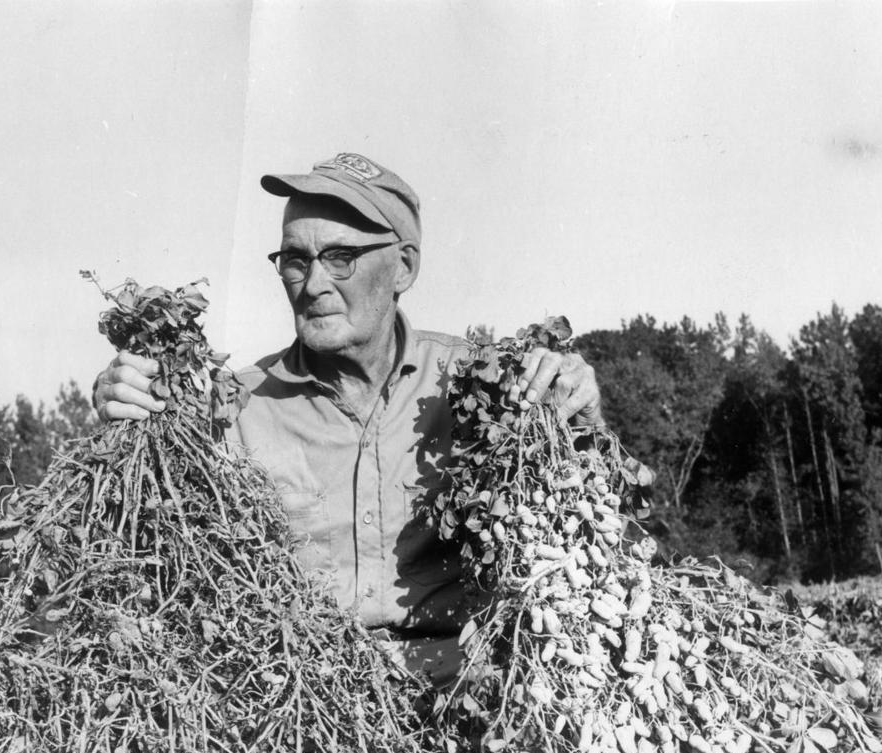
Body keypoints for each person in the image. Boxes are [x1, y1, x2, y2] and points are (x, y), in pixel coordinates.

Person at [93, 152, 604, 684]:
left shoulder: (486, 388)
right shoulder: (233, 407)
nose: (313, 284)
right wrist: (127, 407)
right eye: (295, 259)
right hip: (307, 703)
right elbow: (146, 548)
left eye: (341, 257)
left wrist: (579, 416)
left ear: (404, 265)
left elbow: (580, 524)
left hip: (468, 689)